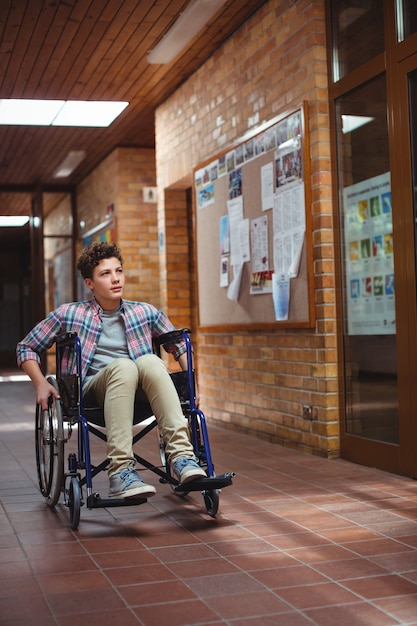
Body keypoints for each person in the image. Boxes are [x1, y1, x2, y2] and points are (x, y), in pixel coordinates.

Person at [16, 241, 206, 499]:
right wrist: (40, 382)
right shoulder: (69, 314)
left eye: (119, 271)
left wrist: (191, 383)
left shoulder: (145, 312)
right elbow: (26, 347)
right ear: (89, 283)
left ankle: (183, 458)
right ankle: (120, 471)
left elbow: (178, 346)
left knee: (150, 361)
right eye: (106, 274)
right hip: (93, 392)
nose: (116, 279)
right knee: (124, 366)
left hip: (139, 394)